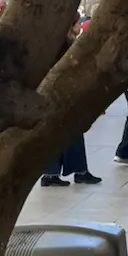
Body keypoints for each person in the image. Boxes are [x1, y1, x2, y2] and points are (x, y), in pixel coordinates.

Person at [42, 22, 102, 186]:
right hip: (63, 93)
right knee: (71, 132)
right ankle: (75, 171)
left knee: (58, 134)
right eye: (76, 24)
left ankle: (53, 173)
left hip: (53, 92)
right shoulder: (67, 43)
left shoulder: (52, 40)